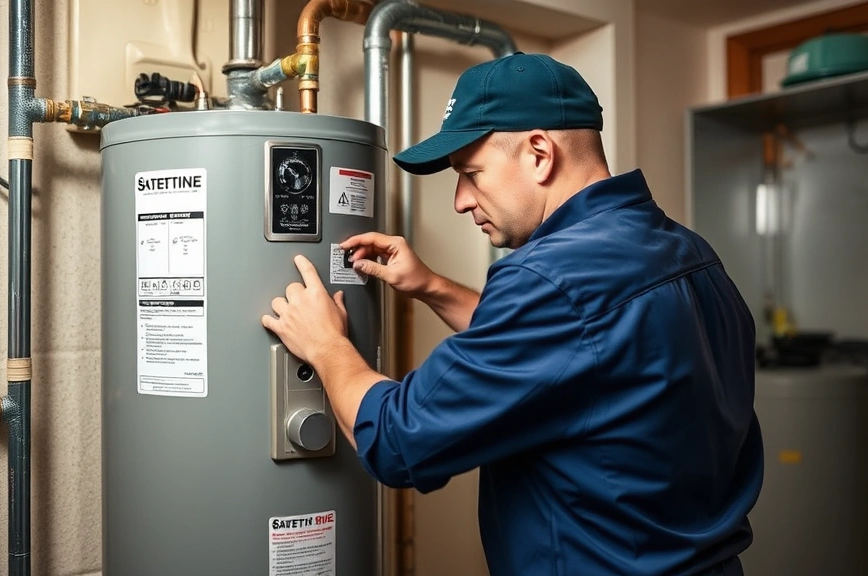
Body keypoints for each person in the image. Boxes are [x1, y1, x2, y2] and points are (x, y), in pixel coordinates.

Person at [262, 52, 764, 576]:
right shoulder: (689, 253)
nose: (461, 200)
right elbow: (578, 353)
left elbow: (396, 440)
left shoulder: (550, 278)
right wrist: (433, 287)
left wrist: (326, 344)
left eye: (471, 173)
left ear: (540, 154)